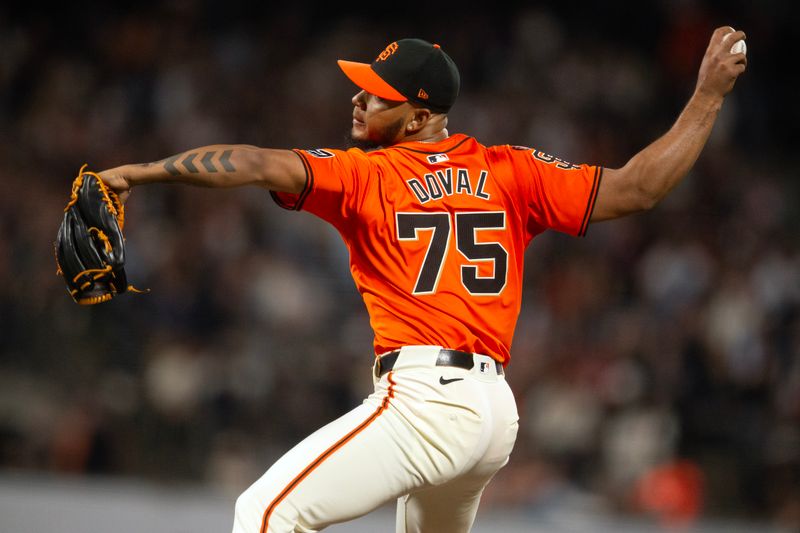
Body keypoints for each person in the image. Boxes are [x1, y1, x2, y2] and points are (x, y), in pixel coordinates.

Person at [99, 28, 747, 533]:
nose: (358, 97)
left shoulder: (366, 174)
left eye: (376, 91)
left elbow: (250, 162)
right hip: (493, 412)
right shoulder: (509, 170)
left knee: (266, 511)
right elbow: (638, 188)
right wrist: (708, 96)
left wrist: (138, 173)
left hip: (428, 400)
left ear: (418, 113)